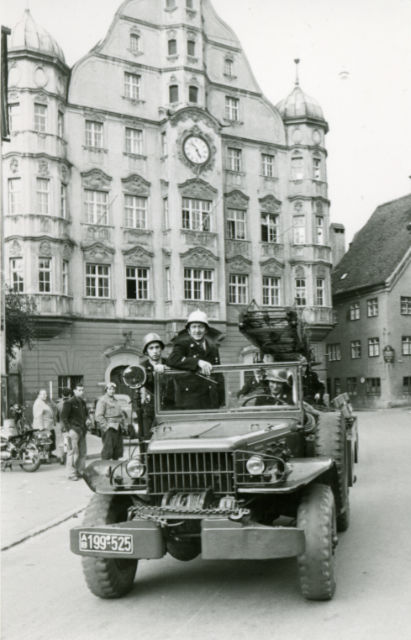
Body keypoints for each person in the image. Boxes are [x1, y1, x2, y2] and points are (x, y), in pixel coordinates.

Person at [166, 309, 224, 410]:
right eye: (194, 327)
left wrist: (223, 400)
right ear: (189, 330)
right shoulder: (182, 344)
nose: (197, 331)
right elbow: (172, 360)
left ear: (206, 330)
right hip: (189, 402)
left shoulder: (213, 347)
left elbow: (218, 374)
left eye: (200, 327)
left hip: (211, 400)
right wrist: (198, 362)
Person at [139, 333, 168, 439]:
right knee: (148, 442)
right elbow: (136, 394)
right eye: (151, 348)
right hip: (149, 413)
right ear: (146, 351)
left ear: (161, 349)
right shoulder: (142, 368)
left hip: (168, 410)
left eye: (157, 347)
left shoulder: (169, 364)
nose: (155, 351)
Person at [61, 383, 88, 480]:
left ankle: (80, 471)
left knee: (83, 452)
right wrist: (69, 430)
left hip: (82, 430)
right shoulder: (69, 402)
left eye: (82, 390)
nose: (81, 392)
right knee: (72, 452)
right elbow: (64, 417)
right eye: (79, 390)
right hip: (73, 431)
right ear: (74, 391)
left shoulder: (83, 403)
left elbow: (85, 416)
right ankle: (71, 474)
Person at [95, 382, 125, 460]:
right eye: (110, 389)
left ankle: (115, 468)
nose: (112, 391)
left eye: (113, 389)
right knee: (108, 450)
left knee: (117, 450)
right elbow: (98, 416)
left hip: (117, 427)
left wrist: (124, 425)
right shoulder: (102, 400)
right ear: (106, 390)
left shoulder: (116, 400)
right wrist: (106, 426)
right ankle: (106, 469)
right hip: (109, 428)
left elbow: (120, 414)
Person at [32, 388, 56, 454]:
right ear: (38, 395)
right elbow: (38, 416)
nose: (45, 395)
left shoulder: (42, 402)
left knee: (49, 441)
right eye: (43, 394)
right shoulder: (38, 403)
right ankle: (45, 456)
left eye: (46, 394)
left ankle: (49, 454)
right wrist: (41, 427)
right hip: (44, 427)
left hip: (48, 426)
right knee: (44, 442)